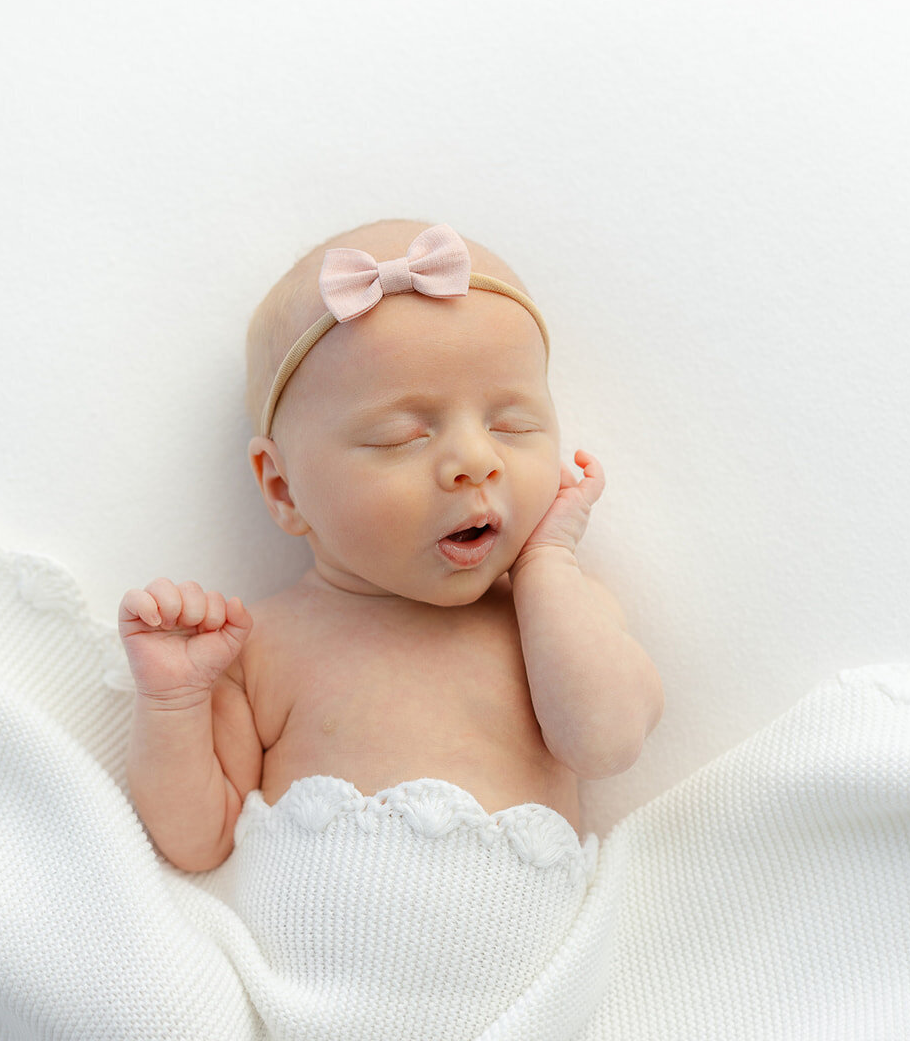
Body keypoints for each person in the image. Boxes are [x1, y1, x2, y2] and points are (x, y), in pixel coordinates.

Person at [119, 219, 664, 870]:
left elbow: (607, 744)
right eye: (402, 436)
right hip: (304, 971)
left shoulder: (551, 612)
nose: (474, 460)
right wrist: (173, 702)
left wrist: (548, 563)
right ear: (284, 488)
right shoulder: (260, 647)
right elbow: (195, 841)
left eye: (513, 425)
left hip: (523, 960)